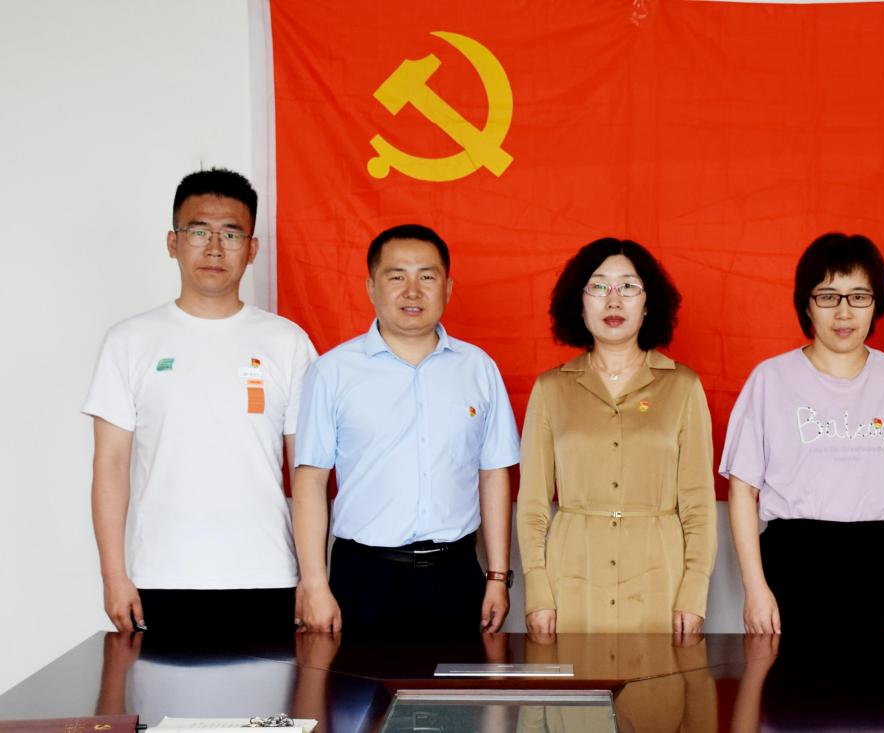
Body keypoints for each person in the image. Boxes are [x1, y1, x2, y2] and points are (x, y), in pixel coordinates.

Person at [84, 168, 316, 634]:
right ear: (173, 242)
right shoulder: (129, 341)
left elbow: (305, 470)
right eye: (198, 232)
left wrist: (313, 578)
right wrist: (113, 576)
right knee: (158, 687)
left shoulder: (287, 342)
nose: (214, 248)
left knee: (272, 688)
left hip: (267, 574)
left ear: (252, 249)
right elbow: (110, 465)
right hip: (161, 577)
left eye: (231, 234)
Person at [719, 233, 884, 637]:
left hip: (876, 565)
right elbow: (742, 489)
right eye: (828, 296)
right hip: (790, 563)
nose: (844, 312)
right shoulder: (771, 379)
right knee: (786, 679)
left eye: (859, 297)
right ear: (807, 304)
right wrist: (755, 589)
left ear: (876, 303)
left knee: (881, 678)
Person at [291, 224, 519, 634]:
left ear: (448, 288)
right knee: (358, 679)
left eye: (427, 277)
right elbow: (310, 480)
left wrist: (498, 577)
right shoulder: (332, 372)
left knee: (459, 678)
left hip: (455, 575)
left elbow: (493, 474)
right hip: (364, 577)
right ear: (371, 287)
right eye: (396, 277)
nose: (412, 291)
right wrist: (314, 585)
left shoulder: (478, 368)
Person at [517, 237, 717, 634]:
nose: (613, 300)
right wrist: (537, 590)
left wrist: (694, 591)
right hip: (571, 577)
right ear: (580, 303)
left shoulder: (683, 387)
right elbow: (533, 503)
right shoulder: (551, 388)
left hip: (660, 578)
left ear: (648, 303)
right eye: (598, 286)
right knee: (573, 675)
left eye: (628, 286)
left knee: (659, 676)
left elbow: (698, 503)